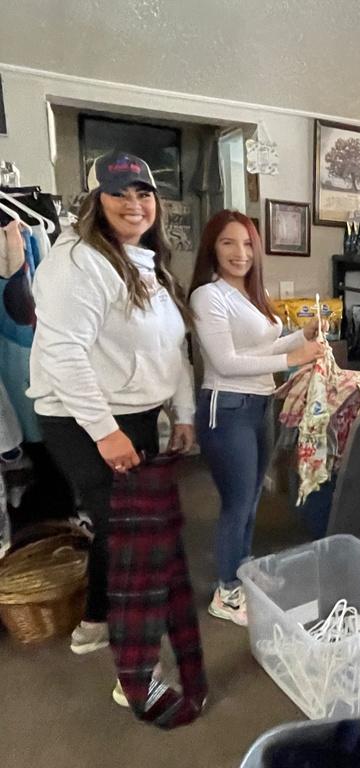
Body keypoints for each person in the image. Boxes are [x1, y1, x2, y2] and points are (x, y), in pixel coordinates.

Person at [28, 151, 196, 656]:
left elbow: (171, 347)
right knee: (131, 530)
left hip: (134, 414)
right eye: (117, 192)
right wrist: (105, 432)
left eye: (143, 192)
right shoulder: (78, 263)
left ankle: (98, 616)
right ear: (94, 201)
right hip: (83, 418)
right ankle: (130, 645)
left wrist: (182, 412)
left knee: (118, 525)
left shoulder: (147, 263)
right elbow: (63, 353)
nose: (133, 202)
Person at [188, 211, 321, 626]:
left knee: (251, 500)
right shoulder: (208, 296)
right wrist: (292, 358)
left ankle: (242, 570)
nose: (240, 253)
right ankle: (227, 591)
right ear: (212, 247)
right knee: (236, 503)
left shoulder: (250, 293)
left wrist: (302, 336)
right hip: (226, 409)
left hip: (260, 405)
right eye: (228, 242)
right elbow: (225, 362)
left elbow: (260, 349)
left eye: (247, 244)